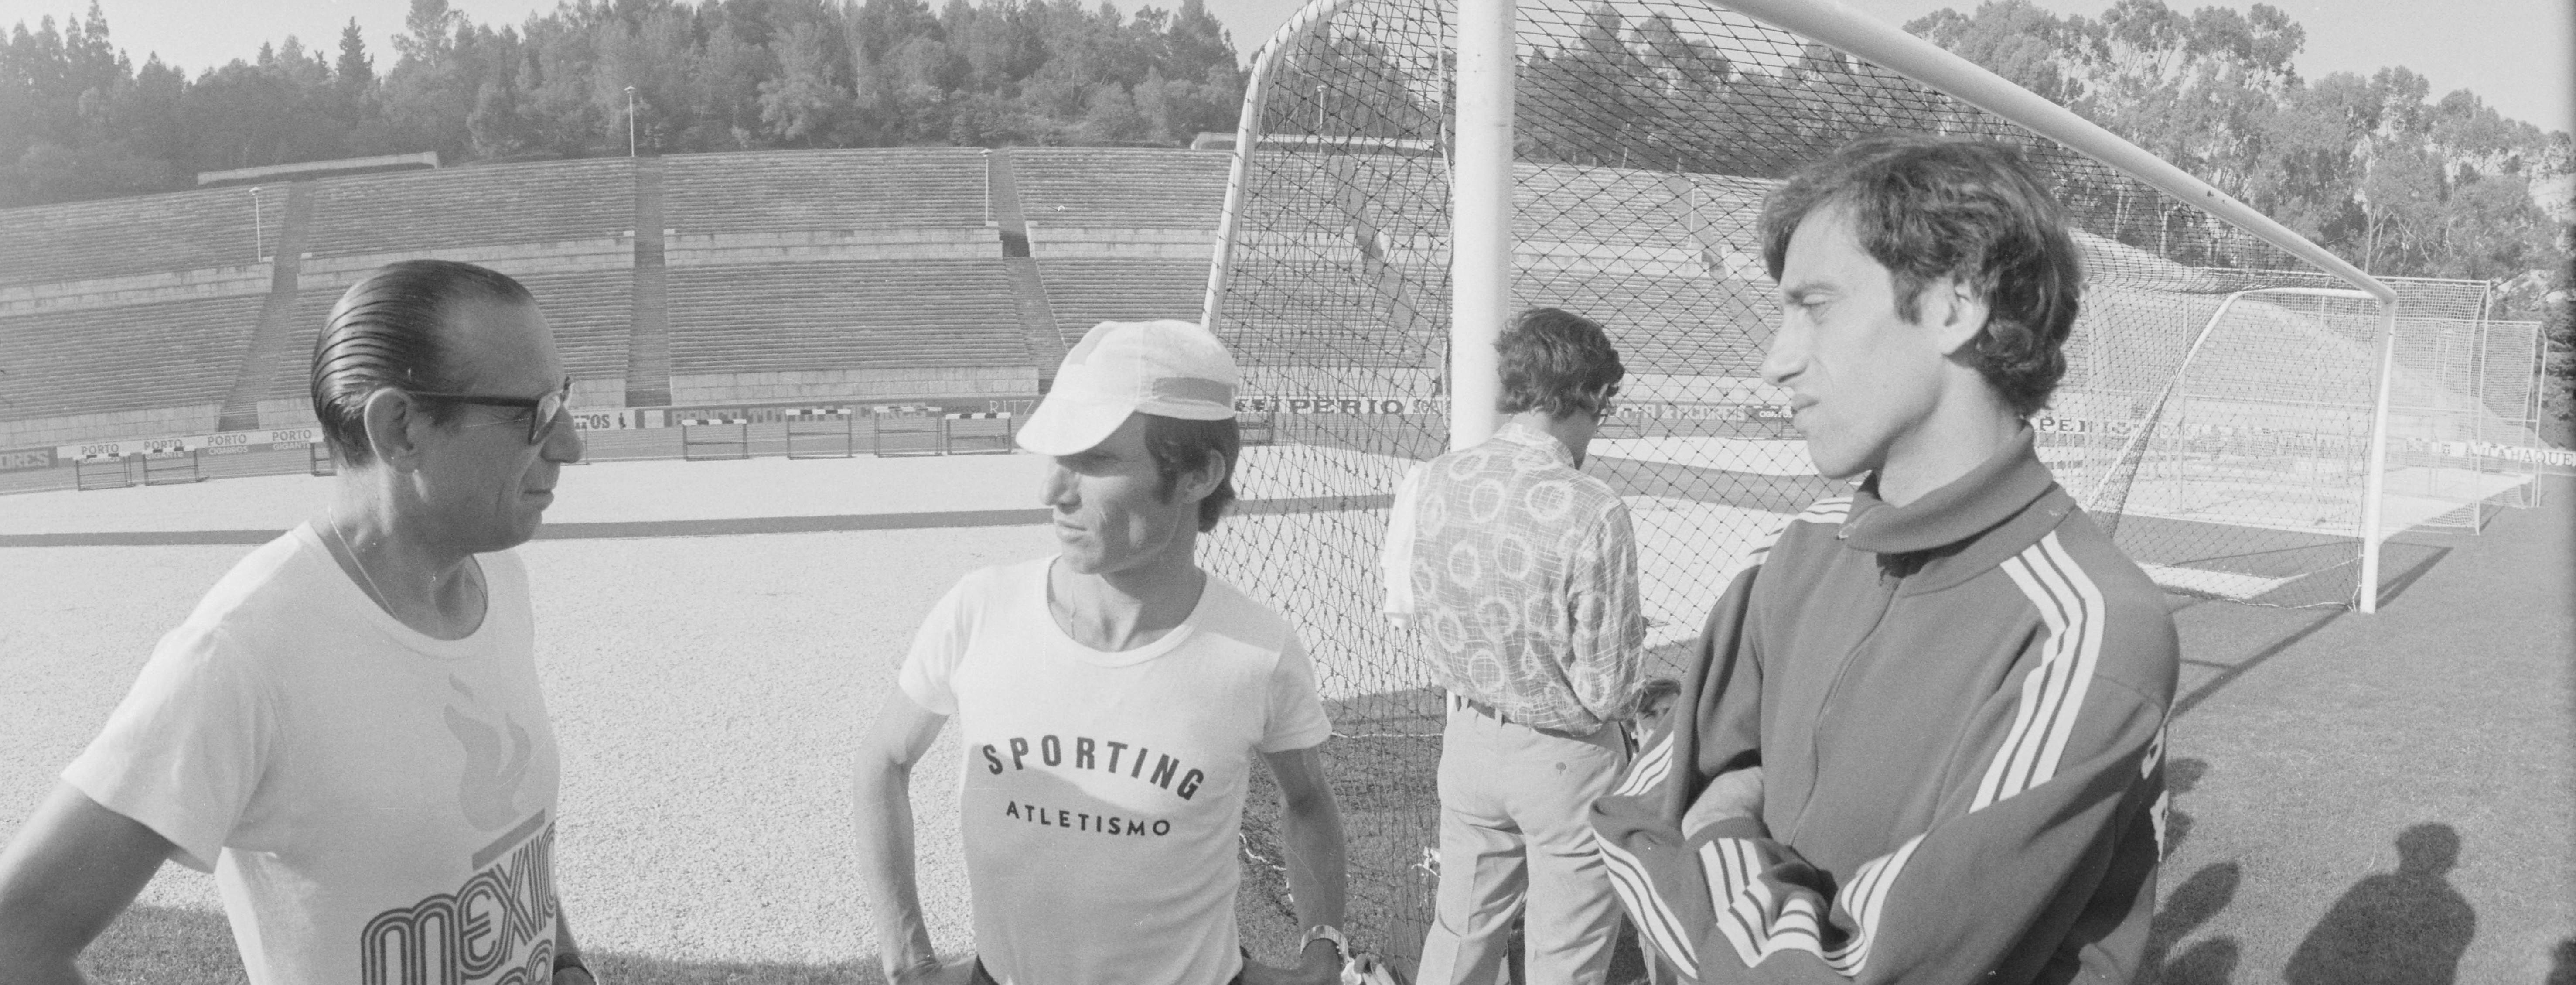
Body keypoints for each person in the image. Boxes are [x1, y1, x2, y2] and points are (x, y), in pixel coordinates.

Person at [1588, 134, 2179, 984]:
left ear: (1954, 306)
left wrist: (1719, 823)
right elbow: (1634, 814)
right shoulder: (1793, 551)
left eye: (1815, 306)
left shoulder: (2088, 629)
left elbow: (1845, 970)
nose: (1773, 361)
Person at [0, 260, 595, 985]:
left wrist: (562, 957)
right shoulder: (243, 652)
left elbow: (504, 842)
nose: (569, 445)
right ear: (400, 429)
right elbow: (16, 937)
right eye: (533, 416)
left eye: (562, 400)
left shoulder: (495, 575)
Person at [853, 320, 1358, 985]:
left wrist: (1321, 949)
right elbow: (882, 760)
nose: (1052, 492)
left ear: (1198, 474)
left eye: (1093, 461)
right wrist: (909, 957)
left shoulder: (1257, 650)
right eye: (1057, 457)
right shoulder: (979, 611)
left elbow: (1308, 802)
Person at [1383, 307, 1647, 985]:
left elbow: (1408, 605)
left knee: (1459, 938)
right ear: (1585, 396)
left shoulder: (1434, 478)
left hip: (1469, 739)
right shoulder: (1593, 507)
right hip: (1565, 760)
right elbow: (1607, 691)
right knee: (1566, 964)